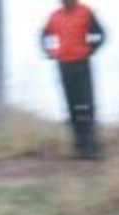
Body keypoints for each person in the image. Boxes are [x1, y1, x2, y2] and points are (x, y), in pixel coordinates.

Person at [41, 0, 106, 159]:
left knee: (85, 105)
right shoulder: (54, 16)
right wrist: (49, 52)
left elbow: (101, 34)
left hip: (82, 63)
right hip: (64, 64)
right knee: (72, 106)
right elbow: (43, 35)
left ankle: (91, 147)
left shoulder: (85, 11)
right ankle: (78, 146)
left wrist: (90, 50)